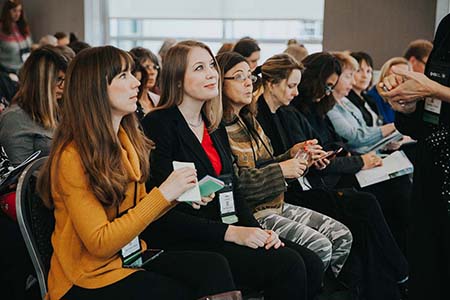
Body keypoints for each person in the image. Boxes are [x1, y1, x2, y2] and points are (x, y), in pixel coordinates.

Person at [37, 45, 240, 300]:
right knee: (179, 291)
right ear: (96, 88)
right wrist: (164, 194)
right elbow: (100, 243)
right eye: (124, 76)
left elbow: (136, 210)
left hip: (127, 258)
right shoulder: (72, 157)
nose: (137, 82)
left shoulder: (125, 141)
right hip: (88, 277)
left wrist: (178, 196)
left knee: (213, 266)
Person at [142, 40, 323, 300]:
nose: (211, 74)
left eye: (211, 66)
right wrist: (234, 233)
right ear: (178, 79)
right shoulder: (159, 124)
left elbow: (233, 187)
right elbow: (164, 208)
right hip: (187, 235)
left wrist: (256, 230)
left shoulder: (211, 123)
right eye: (199, 68)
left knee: (311, 262)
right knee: (290, 265)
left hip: (224, 226)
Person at [254, 52, 409, 300]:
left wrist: (308, 155)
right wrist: (302, 158)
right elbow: (264, 169)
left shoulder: (286, 112)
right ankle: (394, 276)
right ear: (272, 84)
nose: (295, 92)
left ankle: (388, 278)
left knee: (372, 203)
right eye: (291, 86)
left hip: (302, 186)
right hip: (292, 193)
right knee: (364, 206)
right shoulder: (265, 116)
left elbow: (305, 151)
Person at [218, 51, 352, 279]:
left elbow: (265, 164)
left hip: (274, 202)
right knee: (321, 246)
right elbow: (236, 185)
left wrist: (291, 155)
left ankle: (324, 288)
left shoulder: (248, 119)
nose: (249, 82)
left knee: (342, 236)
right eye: (239, 77)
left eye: (249, 75)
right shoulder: (220, 126)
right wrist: (283, 169)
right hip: (254, 211)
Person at [380, 13, 450, 300]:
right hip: (433, 172)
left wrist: (433, 89)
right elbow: (428, 116)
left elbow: (436, 89)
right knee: (429, 270)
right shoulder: (447, 26)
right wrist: (406, 103)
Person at [0, 45, 70, 166]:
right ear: (40, 82)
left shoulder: (60, 110)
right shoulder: (15, 119)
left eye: (65, 79)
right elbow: (20, 178)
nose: (63, 86)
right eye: (59, 79)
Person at [327, 52, 397, 154]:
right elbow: (356, 138)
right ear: (333, 78)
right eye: (348, 76)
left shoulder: (345, 101)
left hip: (372, 154)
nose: (353, 82)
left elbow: (365, 130)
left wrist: (385, 143)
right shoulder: (329, 107)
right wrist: (394, 127)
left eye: (369, 71)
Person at [367, 57, 411, 123]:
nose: (399, 79)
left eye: (404, 75)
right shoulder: (372, 97)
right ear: (385, 76)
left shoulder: (409, 100)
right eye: (395, 74)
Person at [348, 52, 381, 126]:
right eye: (359, 71)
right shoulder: (346, 100)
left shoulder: (369, 99)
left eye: (368, 71)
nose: (365, 76)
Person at [0, 0, 32, 73]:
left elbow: (30, 45)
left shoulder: (23, 26)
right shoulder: (1, 28)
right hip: (7, 71)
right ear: (7, 12)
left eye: (19, 11)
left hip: (25, 69)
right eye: (14, 11)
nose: (18, 14)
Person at [129, 47, 161, 115]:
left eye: (155, 67)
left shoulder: (159, 100)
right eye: (147, 67)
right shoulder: (128, 102)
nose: (152, 72)